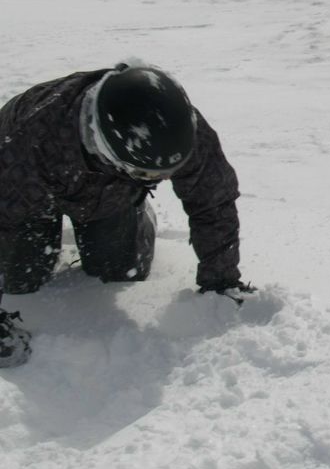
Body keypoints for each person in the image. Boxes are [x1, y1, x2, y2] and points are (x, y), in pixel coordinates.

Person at [0, 63, 252, 367]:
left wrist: (221, 279)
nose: (160, 179)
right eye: (148, 174)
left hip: (107, 190)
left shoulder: (178, 128)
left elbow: (213, 199)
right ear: (104, 149)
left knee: (119, 268)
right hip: (27, 185)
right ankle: (46, 224)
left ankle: (135, 218)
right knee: (21, 277)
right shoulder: (27, 143)